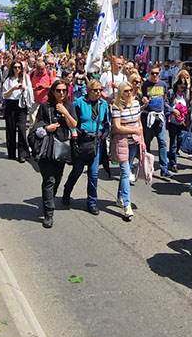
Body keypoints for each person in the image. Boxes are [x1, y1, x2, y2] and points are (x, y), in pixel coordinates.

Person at [32, 81, 77, 229]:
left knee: (57, 178)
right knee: (49, 180)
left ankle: (49, 199)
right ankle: (49, 213)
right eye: (58, 90)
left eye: (64, 91)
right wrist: (47, 128)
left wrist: (65, 112)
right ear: (52, 91)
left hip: (62, 148)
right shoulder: (45, 106)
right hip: (47, 147)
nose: (61, 93)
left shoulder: (69, 106)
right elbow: (37, 126)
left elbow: (74, 124)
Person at [64, 79, 110, 214]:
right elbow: (72, 123)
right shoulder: (79, 103)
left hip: (96, 143)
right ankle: (67, 192)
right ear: (88, 91)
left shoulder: (104, 105)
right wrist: (76, 133)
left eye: (100, 90)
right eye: (95, 90)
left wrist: (104, 133)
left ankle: (92, 202)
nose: (98, 93)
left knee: (93, 174)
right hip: (82, 143)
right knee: (77, 172)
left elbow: (107, 124)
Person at [109, 82, 142, 220]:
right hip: (122, 142)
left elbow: (139, 123)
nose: (129, 93)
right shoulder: (116, 107)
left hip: (134, 142)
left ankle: (119, 198)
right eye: (126, 91)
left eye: (130, 90)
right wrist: (133, 130)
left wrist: (142, 141)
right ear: (121, 92)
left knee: (125, 172)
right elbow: (116, 127)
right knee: (125, 173)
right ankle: (127, 206)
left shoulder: (136, 104)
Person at [1, 61, 31, 163]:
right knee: (11, 129)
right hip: (11, 104)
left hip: (21, 105)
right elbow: (4, 95)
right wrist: (13, 88)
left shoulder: (25, 78)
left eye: (19, 67)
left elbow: (30, 91)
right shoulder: (8, 80)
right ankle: (11, 153)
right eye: (15, 67)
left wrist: (24, 88)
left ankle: (22, 154)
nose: (17, 69)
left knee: (22, 129)